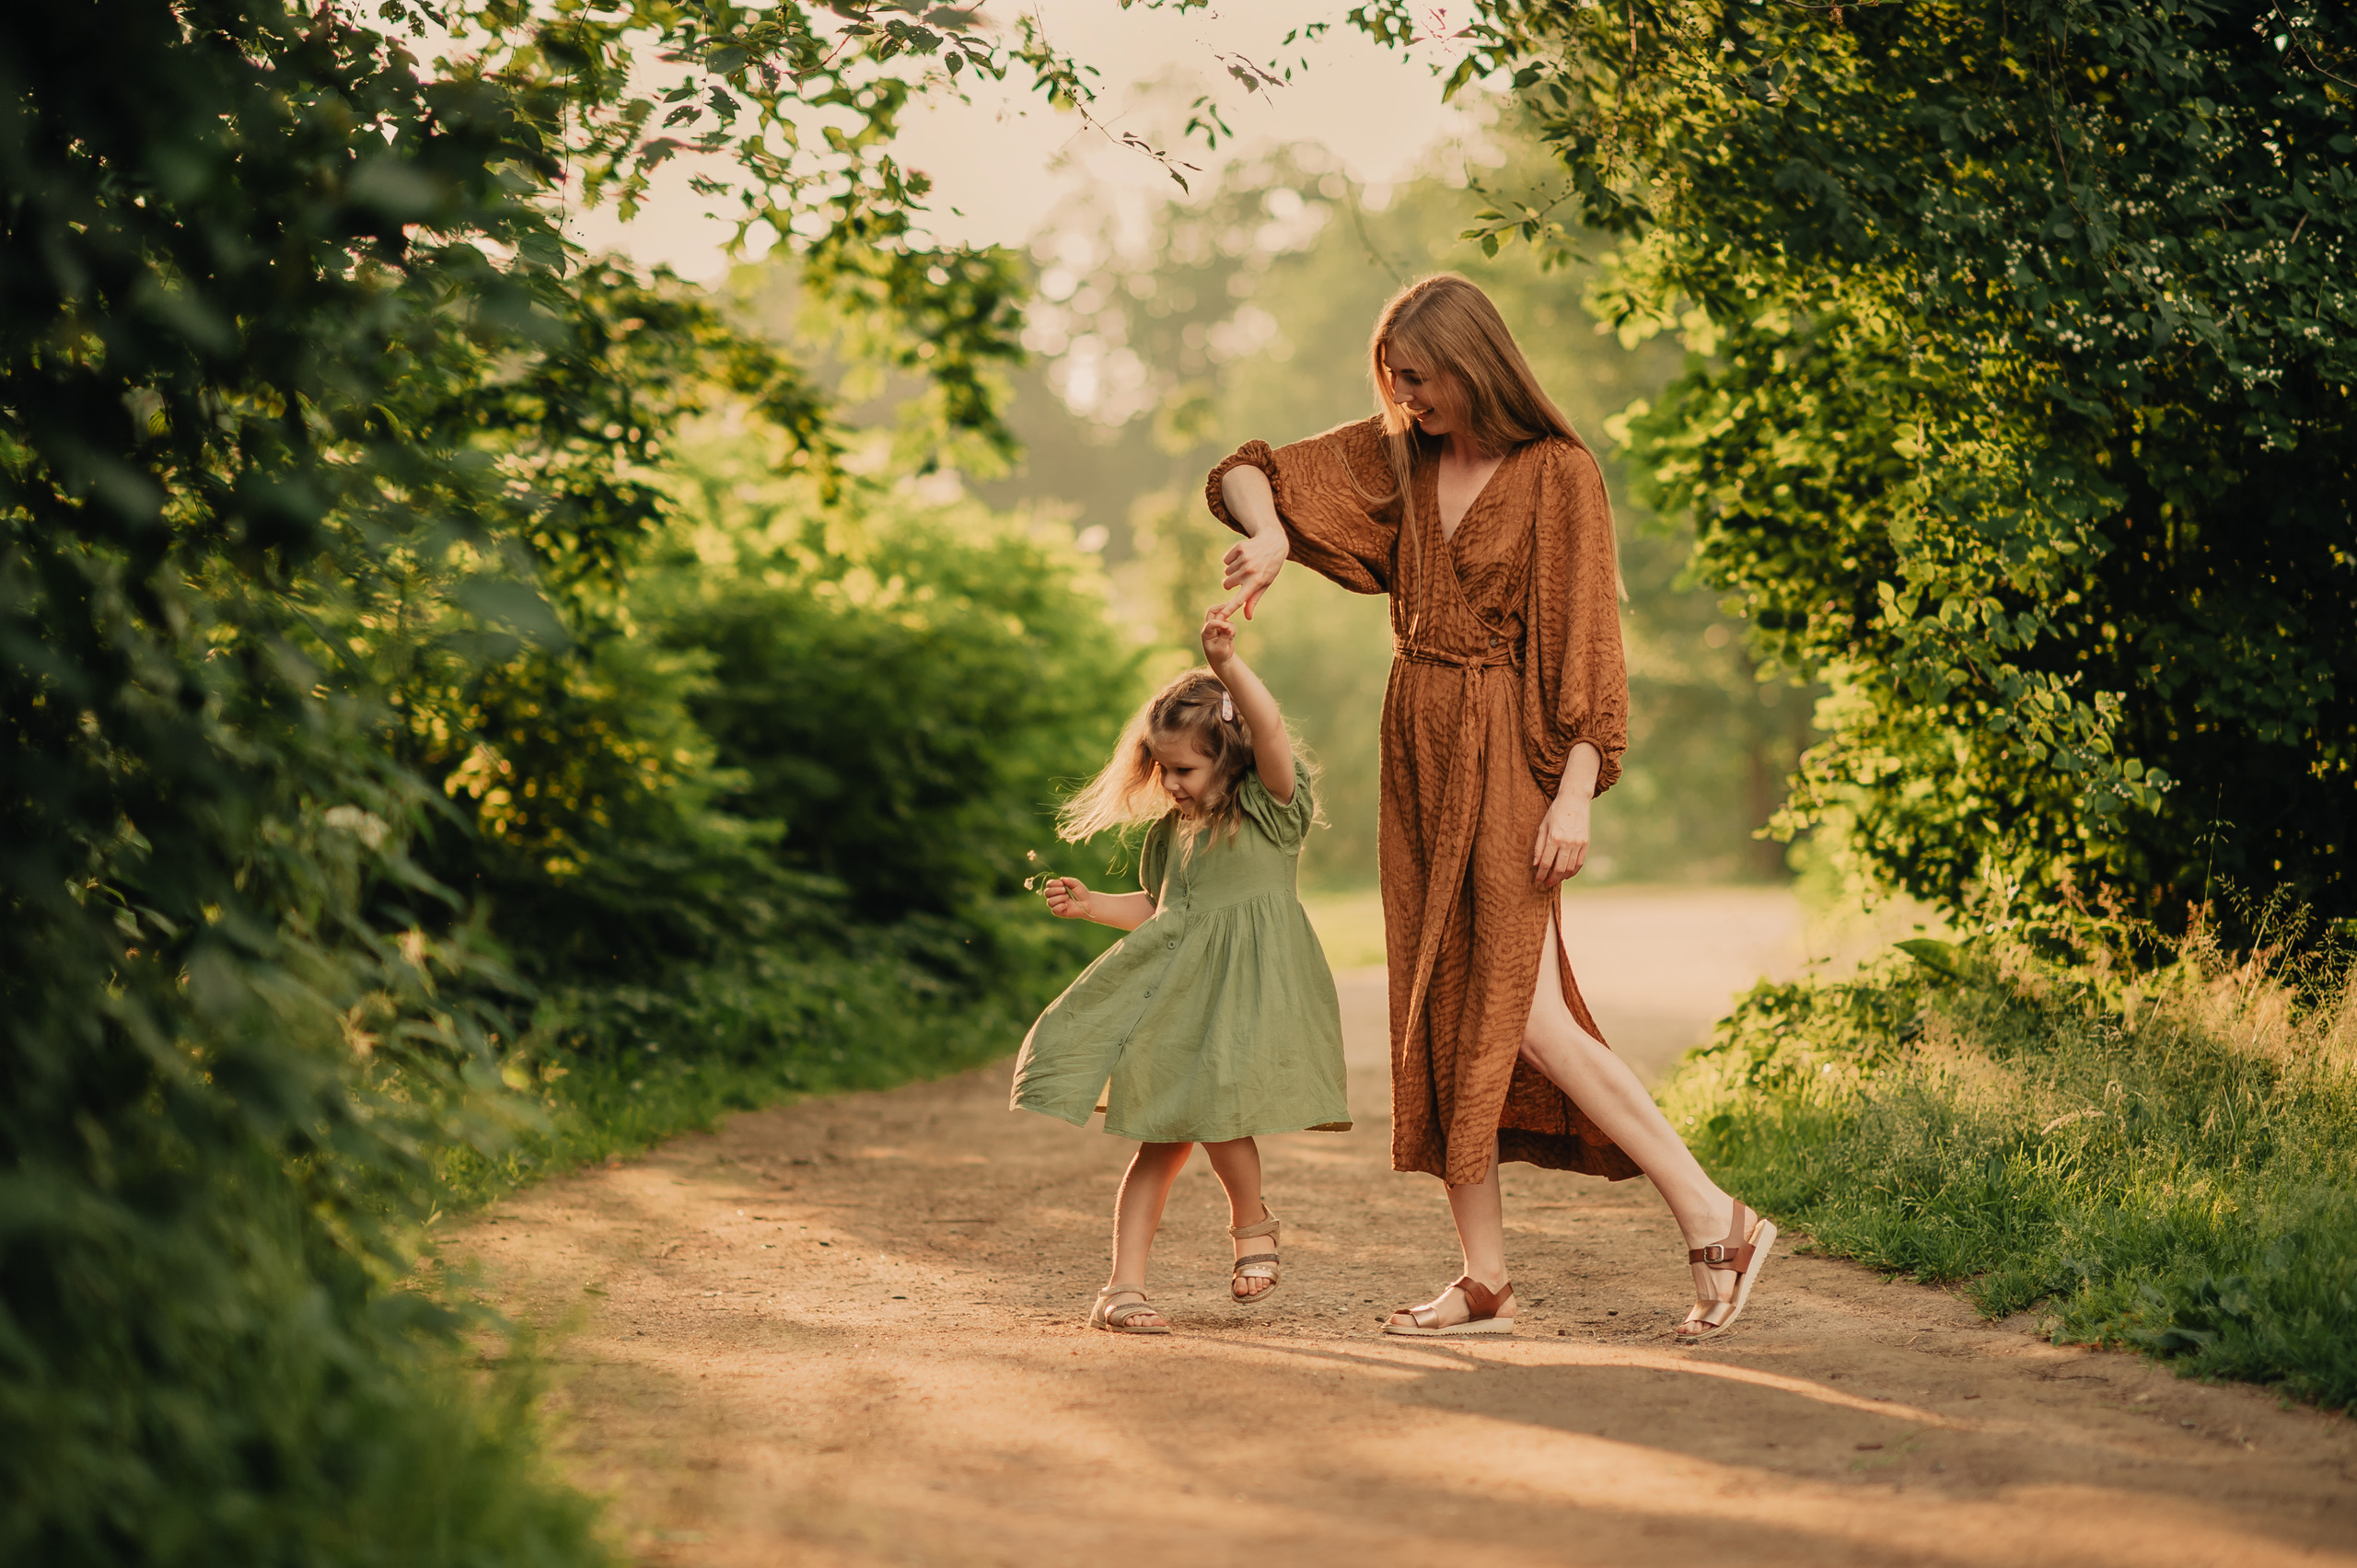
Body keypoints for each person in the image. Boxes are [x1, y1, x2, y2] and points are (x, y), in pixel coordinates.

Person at [1207, 273, 1775, 1342]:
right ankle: (1486, 1281)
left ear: (1472, 363)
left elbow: (1587, 648)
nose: (1405, 398)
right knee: (1446, 1006)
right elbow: (1247, 470)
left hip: (1510, 749)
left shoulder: (1559, 474)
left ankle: (1715, 1213)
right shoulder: (1400, 455)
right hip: (1415, 746)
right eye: (1392, 381)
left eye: (1418, 379)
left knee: (1523, 1010)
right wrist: (1274, 536)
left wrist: (1573, 793)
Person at [1012, 604, 1350, 1334]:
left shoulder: (1271, 809)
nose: (1170, 784)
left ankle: (1251, 1222)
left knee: (1223, 1110)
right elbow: (1162, 910)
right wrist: (1093, 903)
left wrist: (1228, 666)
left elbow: (1271, 732)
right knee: (1157, 1142)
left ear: (1229, 754)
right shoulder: (1172, 834)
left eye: (1185, 768)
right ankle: (1121, 1287)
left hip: (1244, 997)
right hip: (1176, 999)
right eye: (1162, 769)